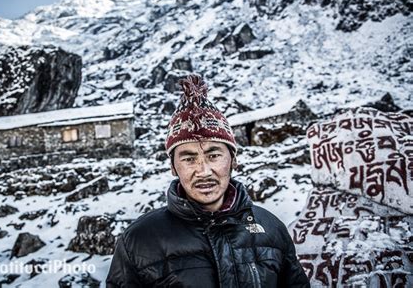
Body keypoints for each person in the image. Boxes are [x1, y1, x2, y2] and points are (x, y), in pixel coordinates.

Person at [106, 74, 310, 287]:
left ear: (233, 160)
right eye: (189, 158)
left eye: (213, 155)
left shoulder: (271, 229)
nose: (203, 171)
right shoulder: (139, 241)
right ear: (173, 167)